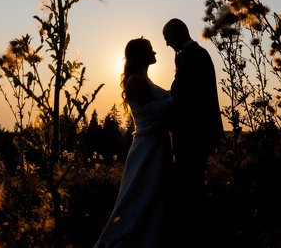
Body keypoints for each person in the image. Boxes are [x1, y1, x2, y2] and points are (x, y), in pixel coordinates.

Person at [95, 38, 174, 248]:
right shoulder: (136, 82)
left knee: (155, 199)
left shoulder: (144, 79)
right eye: (150, 49)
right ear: (140, 54)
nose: (154, 52)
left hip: (158, 147)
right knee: (140, 198)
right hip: (148, 150)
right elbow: (158, 112)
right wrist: (178, 96)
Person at [162, 18, 222, 244]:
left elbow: (193, 93)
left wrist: (169, 102)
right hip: (187, 134)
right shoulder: (184, 55)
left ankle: (195, 234)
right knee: (188, 184)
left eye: (167, 38)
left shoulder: (198, 55)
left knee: (193, 185)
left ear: (178, 32)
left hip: (196, 133)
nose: (167, 44)